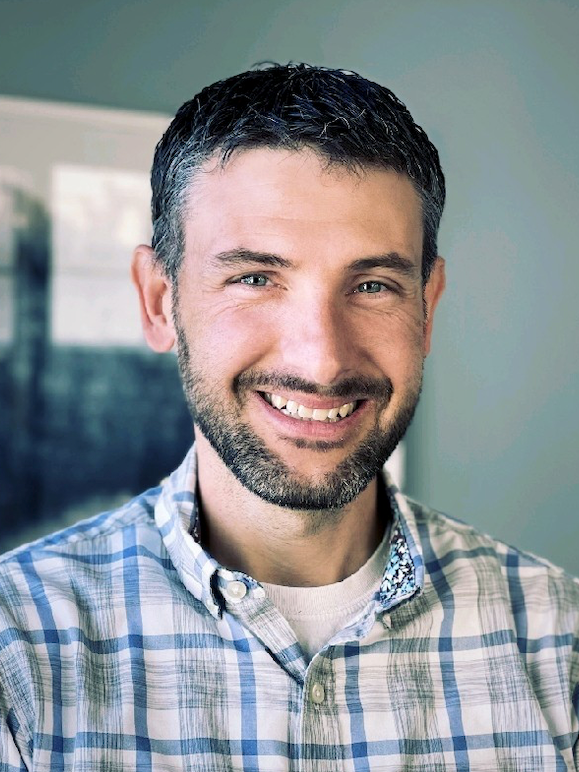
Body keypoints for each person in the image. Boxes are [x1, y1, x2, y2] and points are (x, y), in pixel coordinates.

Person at [0, 63, 577, 771]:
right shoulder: (17, 651)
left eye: (370, 285)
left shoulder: (560, 641)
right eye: (254, 278)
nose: (322, 359)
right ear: (158, 301)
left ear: (427, 306)